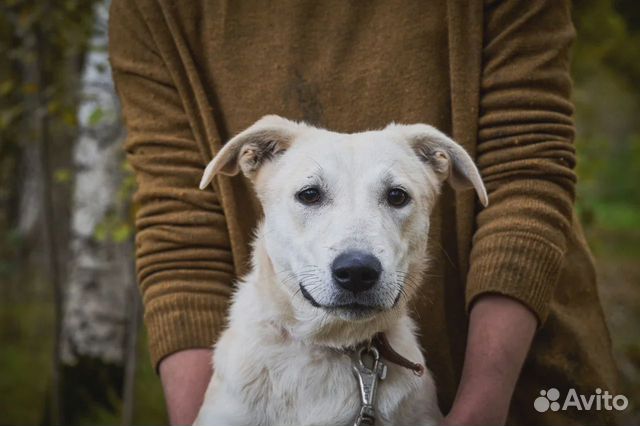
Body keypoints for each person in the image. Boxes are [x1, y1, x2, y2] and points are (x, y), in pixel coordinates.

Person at [109, 1, 619, 425]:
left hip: (511, 378)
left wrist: (482, 406)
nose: (356, 255)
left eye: (396, 197)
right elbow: (178, 227)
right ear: (252, 163)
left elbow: (527, 169)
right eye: (311, 195)